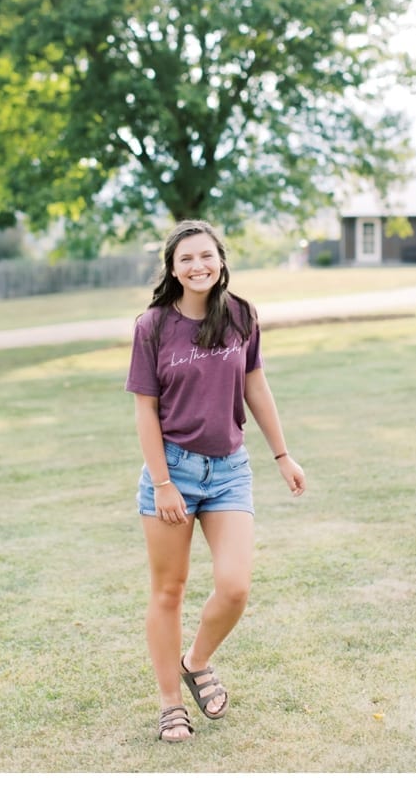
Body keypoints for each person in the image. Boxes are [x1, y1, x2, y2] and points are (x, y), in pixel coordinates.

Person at [125, 219, 306, 743]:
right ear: (173, 269)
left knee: (234, 586)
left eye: (206, 256)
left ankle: (196, 660)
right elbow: (145, 411)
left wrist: (283, 455)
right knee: (169, 591)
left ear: (221, 260)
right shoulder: (153, 326)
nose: (198, 266)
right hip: (173, 470)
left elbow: (256, 385)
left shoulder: (242, 316)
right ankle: (169, 704)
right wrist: (162, 482)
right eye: (186, 259)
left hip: (229, 470)